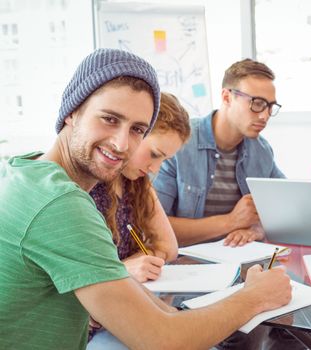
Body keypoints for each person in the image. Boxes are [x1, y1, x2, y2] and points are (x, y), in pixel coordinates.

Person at [0, 48, 292, 350]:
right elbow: (162, 339)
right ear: (73, 111)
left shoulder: (25, 171)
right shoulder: (61, 204)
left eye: (138, 129)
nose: (122, 143)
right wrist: (255, 296)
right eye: (109, 119)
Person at [153, 58, 285, 247]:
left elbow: (284, 208)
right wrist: (230, 222)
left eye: (270, 106)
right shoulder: (179, 143)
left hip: (240, 259)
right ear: (226, 97)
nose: (264, 115)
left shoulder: (262, 151)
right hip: (186, 263)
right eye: (257, 103)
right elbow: (154, 229)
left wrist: (258, 229)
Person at [90, 92, 190, 283]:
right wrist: (123, 270)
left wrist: (140, 262)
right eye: (154, 154)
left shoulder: (136, 183)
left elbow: (169, 247)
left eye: (164, 160)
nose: (155, 168)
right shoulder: (89, 184)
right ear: (135, 133)